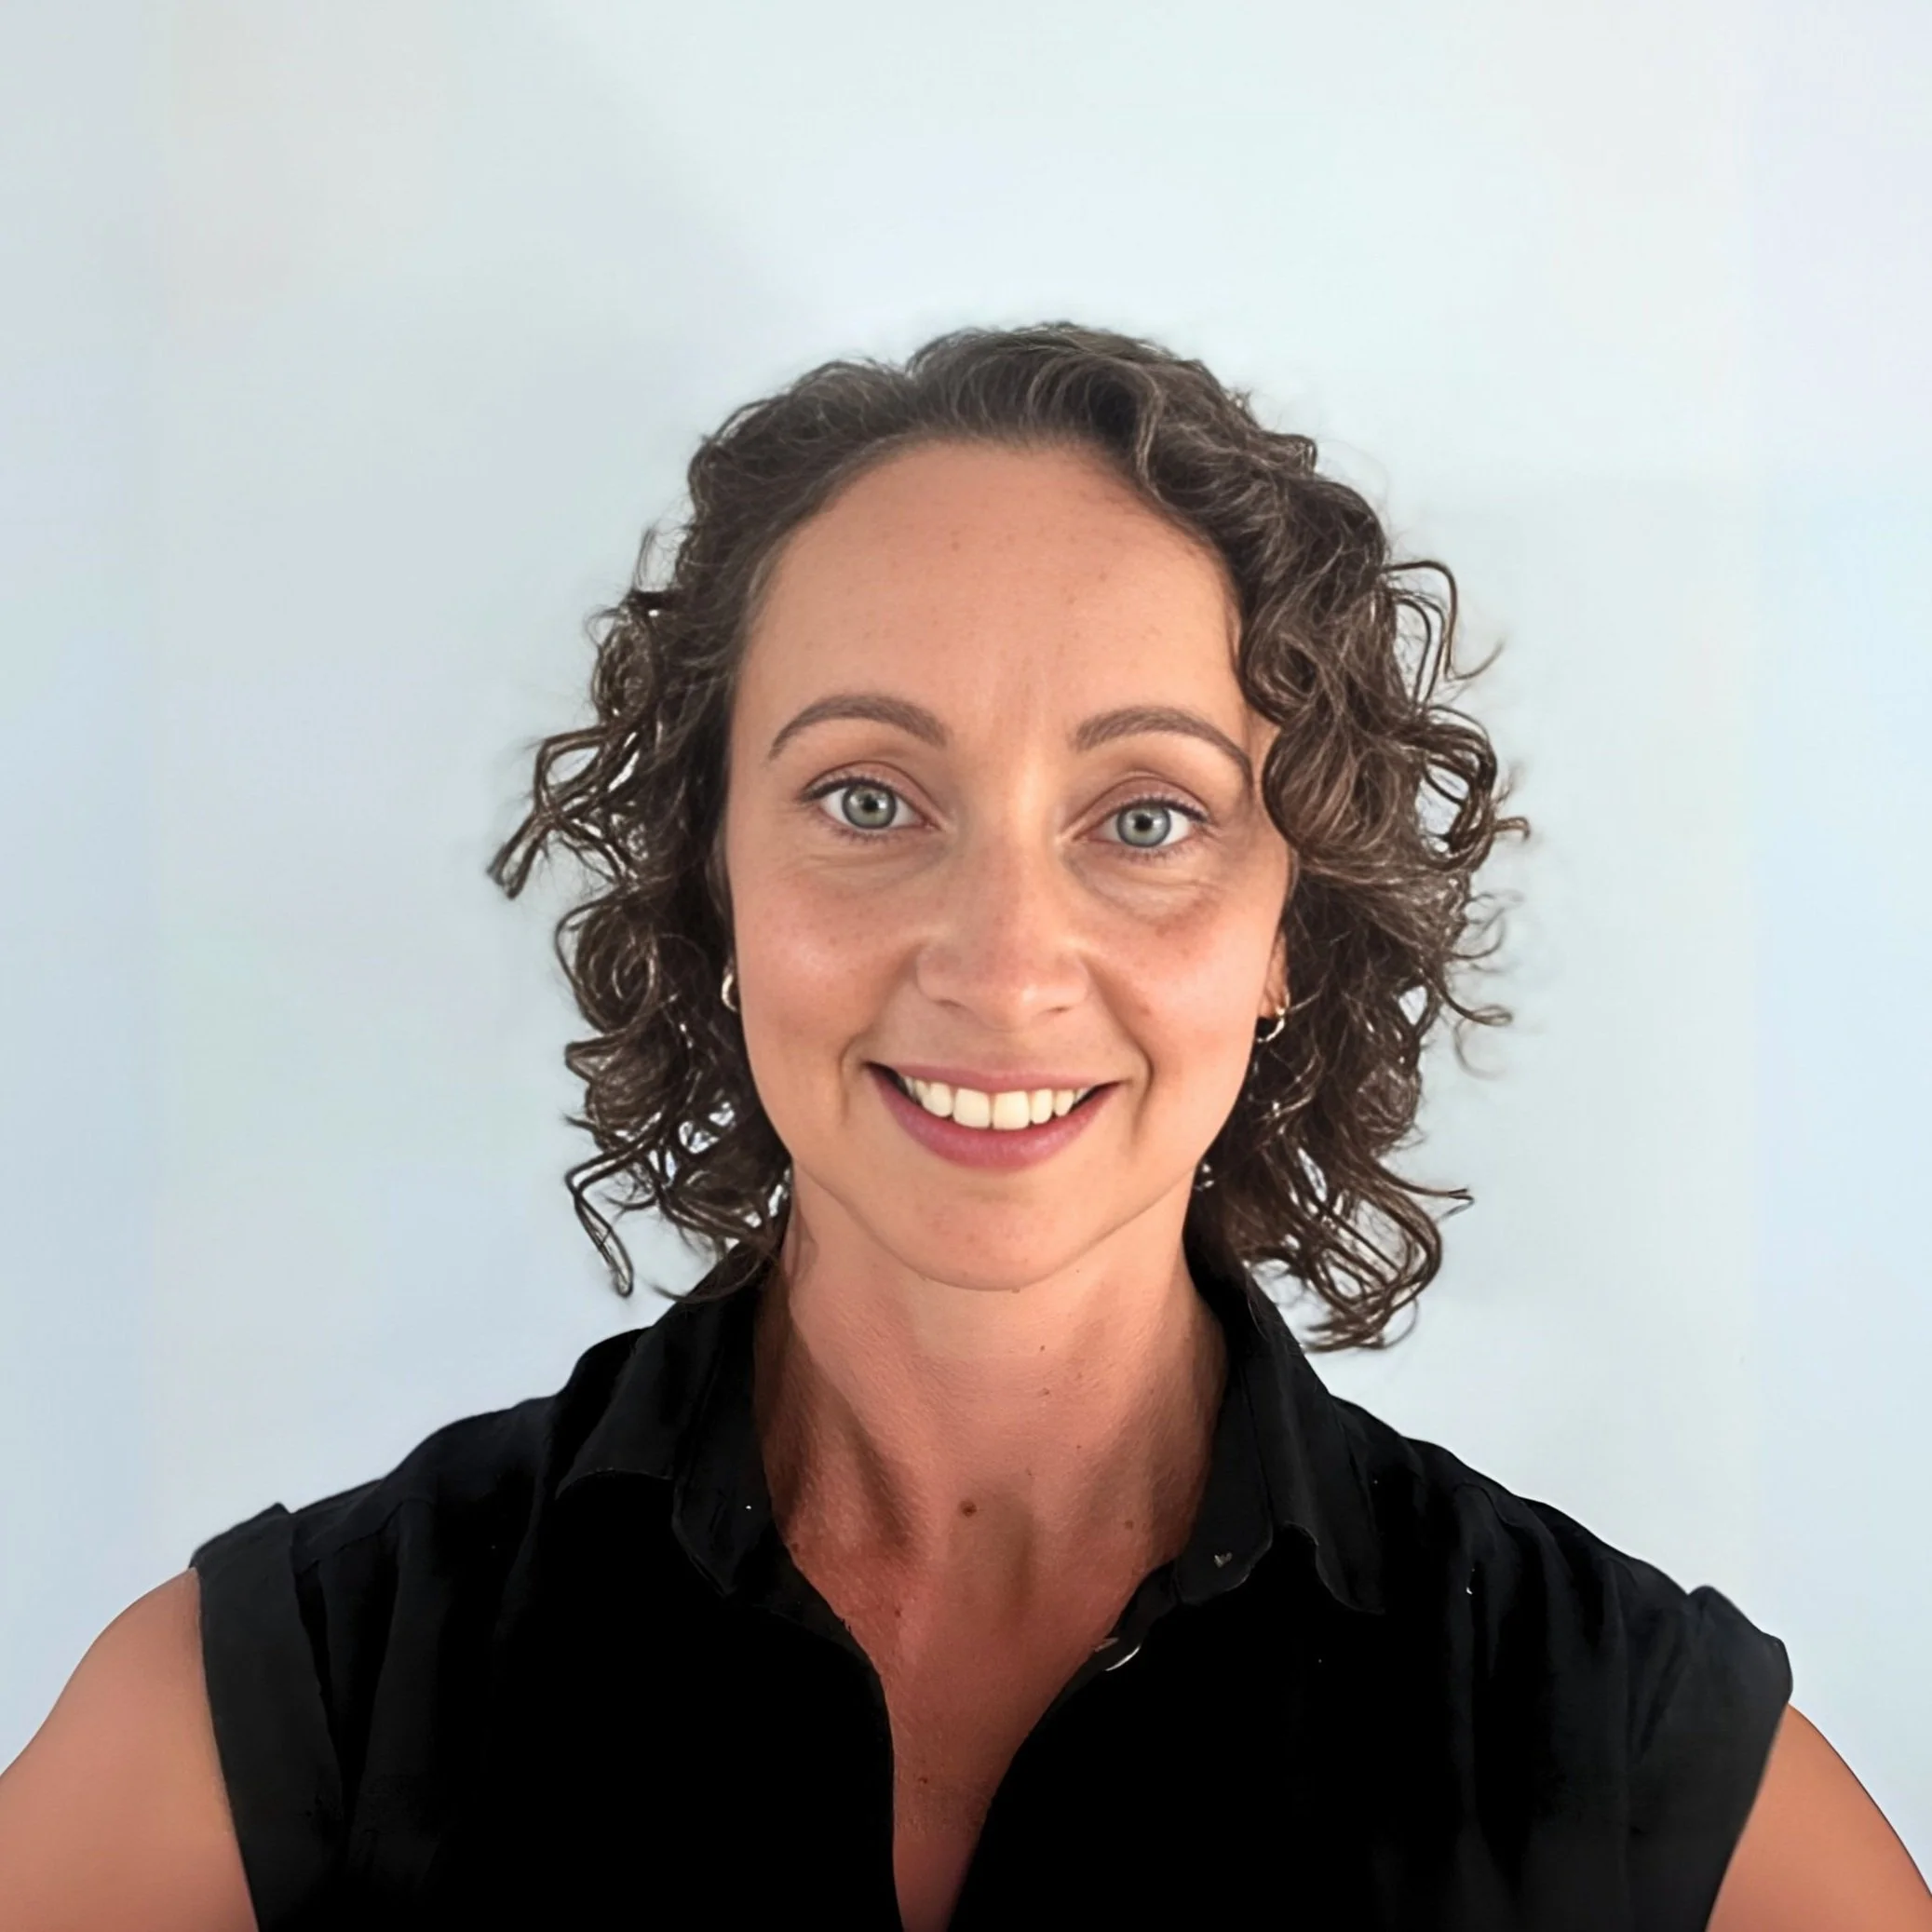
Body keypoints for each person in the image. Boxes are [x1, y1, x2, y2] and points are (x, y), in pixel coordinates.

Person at [1, 326, 1925, 1932]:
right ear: (711, 877)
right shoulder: (274, 1724)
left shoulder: (1638, 1768)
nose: (1003, 966)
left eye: (1145, 816)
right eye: (864, 797)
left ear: (1287, 928)